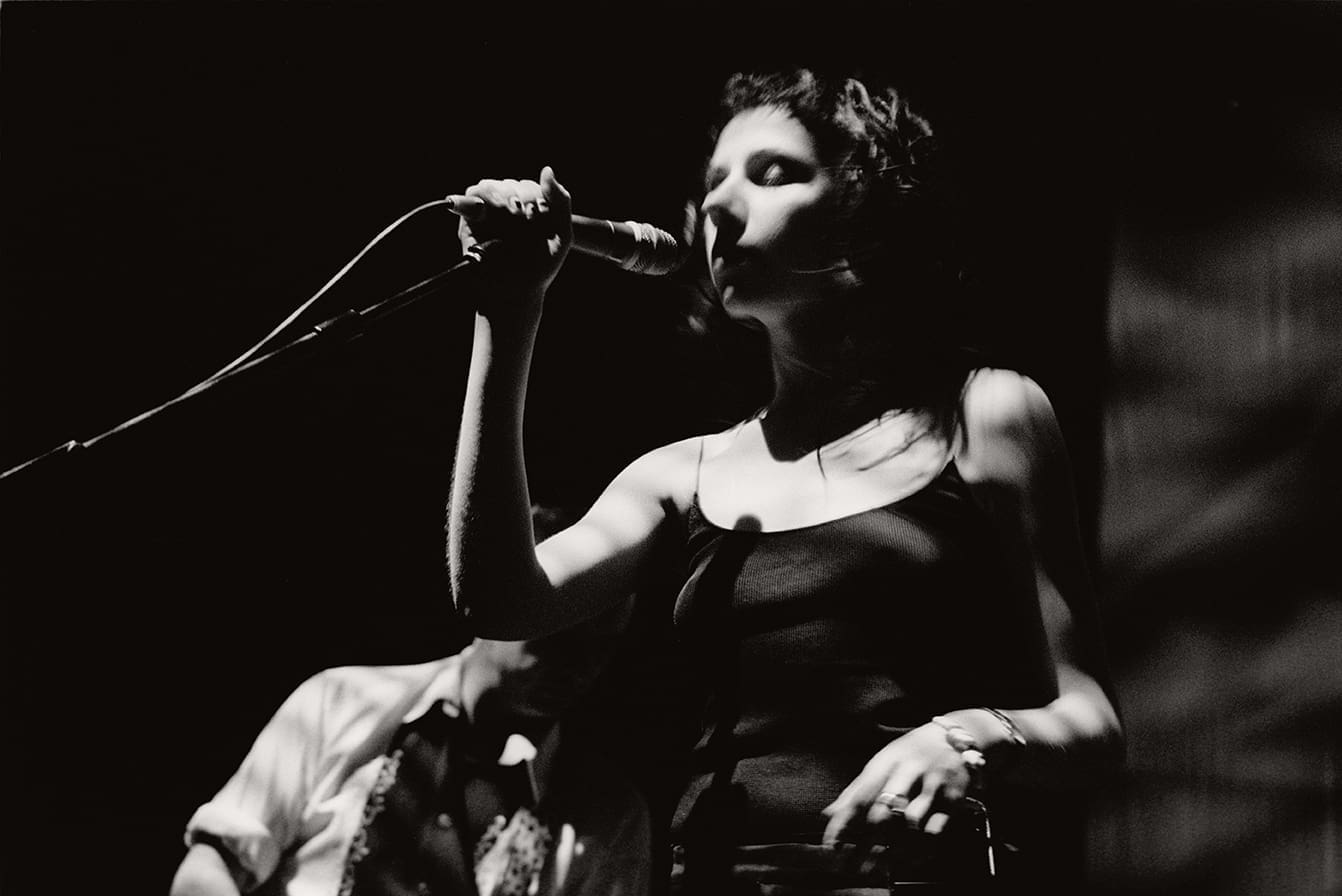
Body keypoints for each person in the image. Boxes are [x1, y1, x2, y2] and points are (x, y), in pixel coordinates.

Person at [445, 67, 1123, 893]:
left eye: (772, 173)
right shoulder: (685, 472)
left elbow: (1091, 726)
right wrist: (508, 314)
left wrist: (968, 739)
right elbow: (501, 601)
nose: (721, 208)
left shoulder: (986, 412)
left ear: (866, 216)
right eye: (713, 184)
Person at [167, 554, 650, 896]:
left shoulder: (612, 817)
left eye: (603, 646)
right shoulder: (338, 699)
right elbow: (213, 867)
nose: (581, 667)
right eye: (564, 638)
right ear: (493, 607)